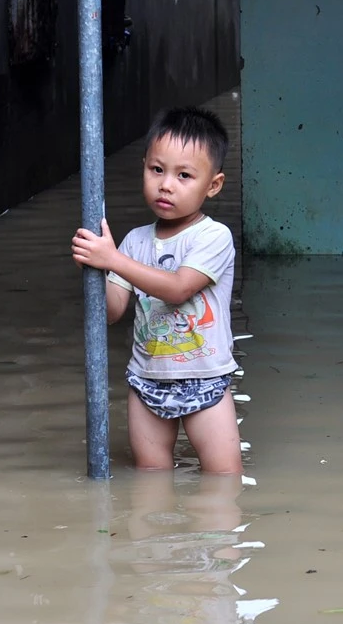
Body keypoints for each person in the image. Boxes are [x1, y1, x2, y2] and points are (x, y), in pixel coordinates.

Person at [71, 106, 242, 475]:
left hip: (205, 379)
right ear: (144, 167)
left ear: (213, 185)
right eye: (157, 170)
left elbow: (179, 288)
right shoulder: (133, 243)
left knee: (223, 481)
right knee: (151, 481)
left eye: (184, 175)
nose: (166, 184)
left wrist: (112, 260)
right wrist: (95, 268)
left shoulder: (213, 237)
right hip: (147, 381)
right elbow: (113, 311)